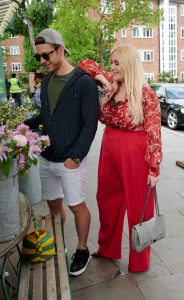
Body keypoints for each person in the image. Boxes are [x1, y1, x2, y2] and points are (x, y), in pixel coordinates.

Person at [79, 44, 162, 273]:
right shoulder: (112, 83)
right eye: (112, 63)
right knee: (106, 199)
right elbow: (84, 63)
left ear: (128, 64)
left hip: (135, 150)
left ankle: (139, 261)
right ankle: (107, 248)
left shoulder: (146, 95)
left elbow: (154, 133)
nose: (112, 67)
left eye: (117, 63)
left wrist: (154, 169)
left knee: (139, 208)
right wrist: (103, 80)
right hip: (109, 146)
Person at [25, 28, 99, 276]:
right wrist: (22, 126)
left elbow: (91, 123)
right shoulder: (46, 81)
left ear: (60, 49)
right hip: (47, 157)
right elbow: (47, 116)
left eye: (46, 56)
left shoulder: (84, 82)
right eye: (39, 57)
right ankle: (58, 243)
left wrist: (76, 157)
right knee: (54, 207)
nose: (42, 62)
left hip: (71, 160)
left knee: (77, 205)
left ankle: (81, 249)